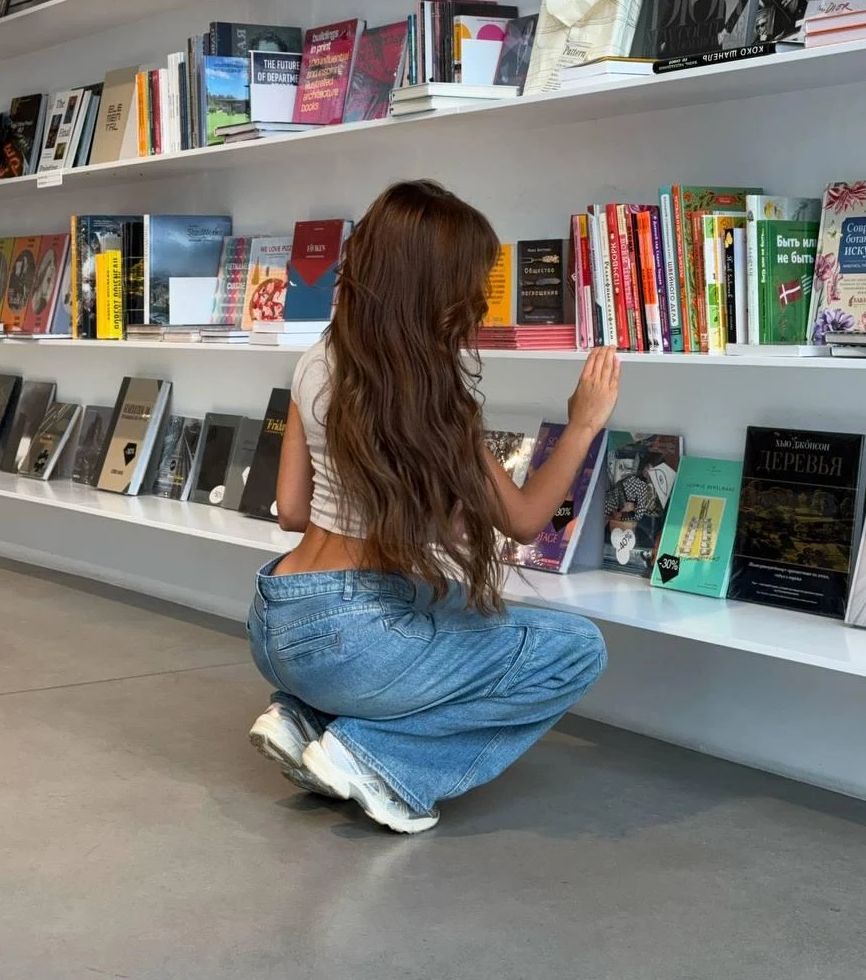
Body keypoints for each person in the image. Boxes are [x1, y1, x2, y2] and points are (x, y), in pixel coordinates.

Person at [247, 180, 620, 834]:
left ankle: (302, 716)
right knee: (575, 648)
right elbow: (524, 520)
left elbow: (290, 510)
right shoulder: (436, 395)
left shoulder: (315, 359)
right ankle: (379, 759)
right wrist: (583, 424)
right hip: (350, 642)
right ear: (441, 289)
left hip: (273, 618)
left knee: (442, 599)